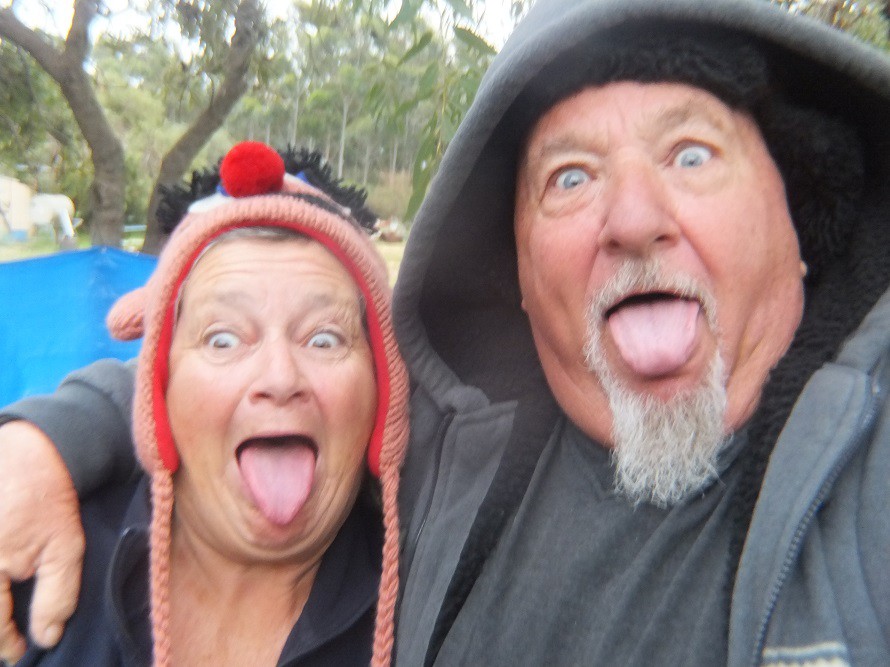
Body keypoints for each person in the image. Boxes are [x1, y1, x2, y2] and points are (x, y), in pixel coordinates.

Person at [1, 0, 889, 664]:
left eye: (691, 155)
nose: (633, 217)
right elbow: (262, 389)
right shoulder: (449, 455)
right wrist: (49, 437)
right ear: (523, 275)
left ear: (803, 220)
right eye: (571, 177)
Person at [2, 141, 409, 666]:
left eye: (325, 339)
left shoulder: (432, 605)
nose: (279, 378)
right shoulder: (40, 554)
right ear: (160, 384)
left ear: (381, 392)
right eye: (222, 339)